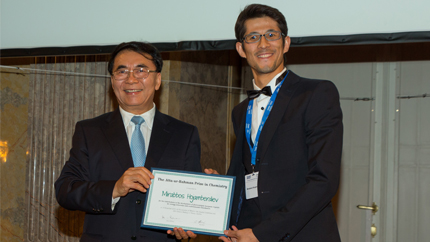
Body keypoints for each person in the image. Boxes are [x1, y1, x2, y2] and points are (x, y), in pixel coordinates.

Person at [205, 4, 343, 242]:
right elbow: (246, 176)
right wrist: (216, 194)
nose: (263, 44)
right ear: (240, 48)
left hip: (302, 235)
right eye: (253, 37)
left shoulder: (316, 93)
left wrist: (262, 234)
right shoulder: (240, 112)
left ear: (286, 43)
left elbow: (324, 180)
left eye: (271, 35)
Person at [55, 41, 200, 242]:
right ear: (113, 81)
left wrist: (190, 220)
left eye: (141, 70)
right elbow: (66, 190)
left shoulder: (184, 134)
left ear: (157, 80)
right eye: (122, 72)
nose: (131, 79)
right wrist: (114, 188)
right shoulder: (90, 131)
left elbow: (190, 199)